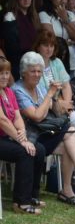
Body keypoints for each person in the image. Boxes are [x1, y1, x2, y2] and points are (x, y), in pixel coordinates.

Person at [15, 52, 75, 204]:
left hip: (43, 132)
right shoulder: (18, 90)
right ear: (23, 72)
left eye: (39, 71)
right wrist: (50, 95)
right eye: (33, 71)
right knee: (70, 134)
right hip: (30, 137)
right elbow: (37, 116)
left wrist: (55, 101)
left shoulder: (37, 87)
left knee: (70, 135)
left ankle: (70, 186)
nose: (37, 74)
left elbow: (50, 110)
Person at [0, 56, 49, 214]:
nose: (4, 77)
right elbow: (3, 121)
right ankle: (21, 203)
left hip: (9, 136)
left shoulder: (9, 92)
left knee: (39, 149)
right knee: (25, 152)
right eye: (1, 73)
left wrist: (23, 133)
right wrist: (22, 140)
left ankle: (32, 195)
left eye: (7, 73)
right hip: (2, 137)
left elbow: (17, 117)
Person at [2, 0, 39, 80]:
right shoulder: (10, 17)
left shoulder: (33, 16)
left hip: (34, 62)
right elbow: (11, 48)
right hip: (18, 65)